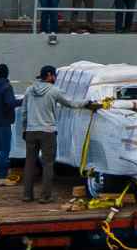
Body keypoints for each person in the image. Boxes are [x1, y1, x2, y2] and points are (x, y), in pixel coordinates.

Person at [20, 65, 93, 203]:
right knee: (48, 164)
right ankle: (45, 196)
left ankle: (27, 195)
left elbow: (24, 112)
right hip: (47, 132)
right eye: (54, 75)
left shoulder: (29, 90)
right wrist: (87, 102)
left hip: (30, 131)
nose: (56, 78)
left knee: (29, 163)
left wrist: (24, 129)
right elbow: (70, 104)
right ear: (49, 75)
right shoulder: (54, 91)